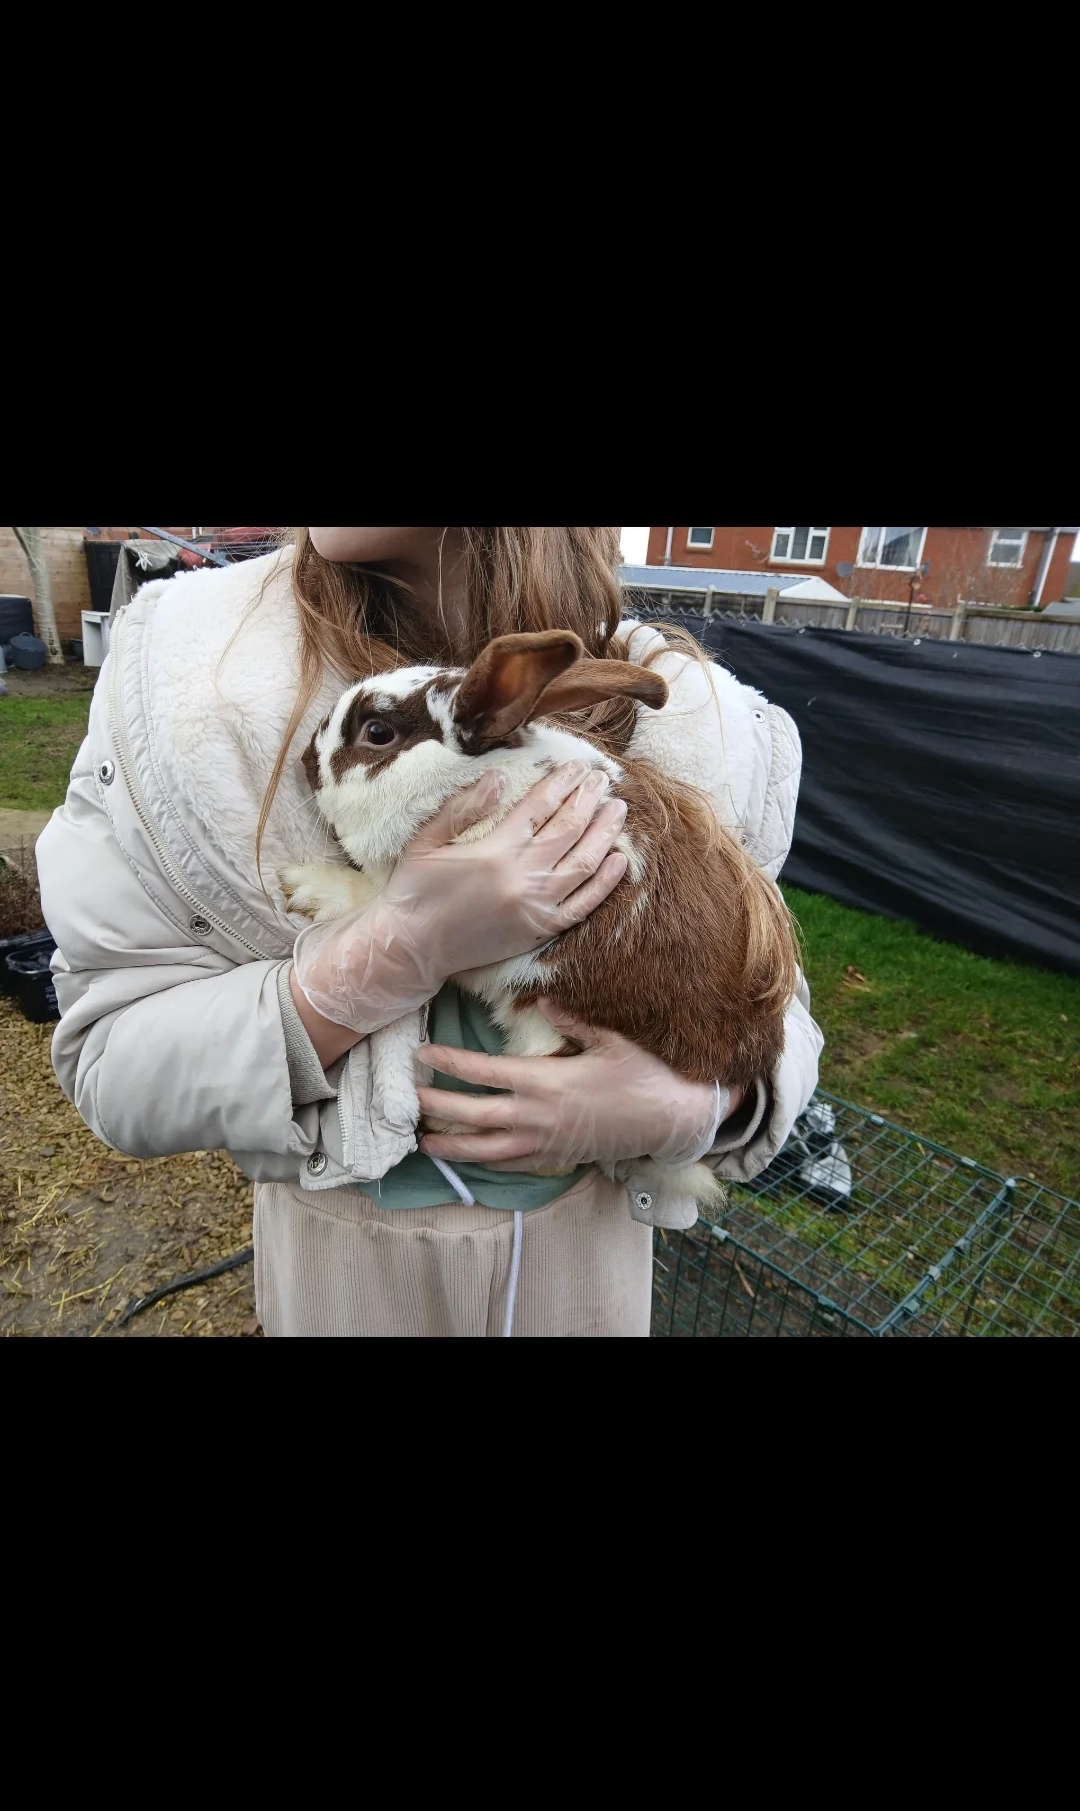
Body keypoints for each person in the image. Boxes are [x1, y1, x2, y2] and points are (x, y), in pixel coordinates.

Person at [37, 527, 822, 1338]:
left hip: (589, 1253)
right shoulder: (177, 681)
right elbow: (109, 1061)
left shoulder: (693, 714)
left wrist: (697, 1107)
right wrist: (389, 956)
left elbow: (767, 988)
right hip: (342, 1260)